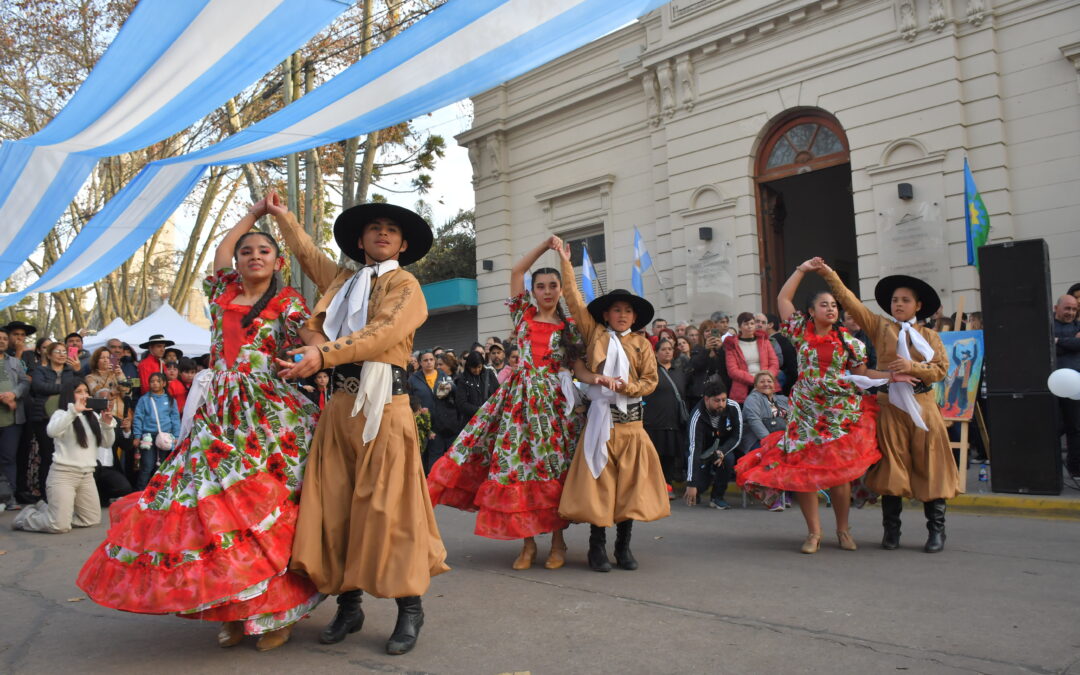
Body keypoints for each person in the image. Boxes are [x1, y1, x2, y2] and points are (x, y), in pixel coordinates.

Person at [78, 199, 323, 652]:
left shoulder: (288, 302)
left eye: (263, 251)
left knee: (264, 515)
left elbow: (311, 335)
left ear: (278, 261)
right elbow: (220, 250)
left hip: (269, 416)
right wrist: (254, 215)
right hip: (219, 416)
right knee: (212, 517)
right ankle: (231, 608)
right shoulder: (222, 292)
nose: (252, 255)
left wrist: (319, 352)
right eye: (247, 250)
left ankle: (273, 614)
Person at [271, 190, 447, 656]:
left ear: (403, 244)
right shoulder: (344, 281)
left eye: (391, 229)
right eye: (374, 228)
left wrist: (322, 353)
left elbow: (381, 333)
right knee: (336, 510)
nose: (383, 232)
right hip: (338, 410)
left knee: (392, 512)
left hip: (384, 410)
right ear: (361, 240)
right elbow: (309, 258)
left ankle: (410, 609)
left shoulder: (405, 285)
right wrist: (284, 216)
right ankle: (349, 607)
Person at [429, 238, 587, 570]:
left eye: (552, 286)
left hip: (556, 407)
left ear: (560, 289)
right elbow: (516, 270)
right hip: (517, 406)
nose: (546, 291)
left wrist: (565, 262)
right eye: (540, 286)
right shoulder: (522, 314)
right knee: (518, 470)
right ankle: (527, 545)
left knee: (555, 473)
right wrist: (545, 245)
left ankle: (558, 543)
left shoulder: (570, 326)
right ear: (533, 290)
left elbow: (577, 366)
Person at [736, 258, 889, 554]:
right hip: (806, 415)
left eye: (834, 305)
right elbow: (782, 298)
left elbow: (863, 375)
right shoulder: (798, 332)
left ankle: (843, 530)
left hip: (839, 416)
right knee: (805, 473)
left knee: (838, 473)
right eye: (824, 305)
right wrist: (802, 270)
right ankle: (814, 533)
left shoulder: (850, 342)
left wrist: (893, 376)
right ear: (810, 311)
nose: (831, 309)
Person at [819, 259, 957, 553]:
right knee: (892, 469)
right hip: (890, 404)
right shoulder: (880, 327)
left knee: (931, 467)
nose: (898, 304)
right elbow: (850, 303)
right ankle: (891, 531)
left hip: (923, 406)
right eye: (895, 300)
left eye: (905, 300)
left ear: (918, 305)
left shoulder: (931, 337)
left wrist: (913, 366)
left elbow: (941, 370)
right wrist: (830, 275)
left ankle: (936, 532)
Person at [554, 239, 670, 572]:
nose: (622, 315)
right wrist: (565, 260)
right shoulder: (595, 334)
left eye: (628, 311)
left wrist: (627, 386)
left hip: (632, 426)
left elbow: (651, 381)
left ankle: (624, 547)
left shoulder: (642, 344)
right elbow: (574, 300)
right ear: (606, 313)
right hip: (602, 422)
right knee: (599, 488)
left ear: (635, 316)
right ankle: (596, 548)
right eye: (616, 310)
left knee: (630, 491)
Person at [15, 378, 113, 532]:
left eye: (86, 391)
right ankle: (27, 517)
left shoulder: (93, 416)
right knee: (59, 526)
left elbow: (107, 443)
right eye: (78, 392)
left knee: (92, 520)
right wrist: (73, 412)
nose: (84, 395)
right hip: (63, 475)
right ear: (69, 395)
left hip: (86, 476)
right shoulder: (61, 414)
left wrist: (107, 425)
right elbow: (52, 431)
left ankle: (52, 513)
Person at [28, 342, 78, 499]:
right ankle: (46, 494)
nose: (62, 354)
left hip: (68, 420)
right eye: (58, 351)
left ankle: (66, 494)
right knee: (48, 456)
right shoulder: (40, 371)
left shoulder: (71, 371)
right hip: (44, 419)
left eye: (64, 351)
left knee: (67, 457)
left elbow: (79, 387)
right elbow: (39, 387)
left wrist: (76, 372)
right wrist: (65, 388)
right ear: (49, 355)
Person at [685, 380, 743, 510]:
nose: (721, 404)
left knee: (728, 460)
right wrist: (691, 484)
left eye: (724, 400)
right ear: (706, 399)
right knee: (698, 487)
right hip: (703, 452)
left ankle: (717, 497)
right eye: (717, 401)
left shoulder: (733, 407)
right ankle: (701, 484)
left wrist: (722, 451)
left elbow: (737, 437)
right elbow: (693, 449)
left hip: (723, 449)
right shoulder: (697, 417)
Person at [643, 339, 688, 496]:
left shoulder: (679, 371)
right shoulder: (650, 370)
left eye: (670, 349)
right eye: (663, 349)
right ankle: (652, 488)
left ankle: (667, 486)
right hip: (653, 421)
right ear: (655, 353)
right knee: (654, 456)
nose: (668, 351)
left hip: (673, 421)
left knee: (669, 456)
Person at [740, 372, 790, 510]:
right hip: (758, 439)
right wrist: (769, 441)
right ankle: (773, 497)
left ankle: (786, 491)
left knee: (796, 454)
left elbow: (793, 419)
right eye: (762, 381)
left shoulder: (781, 399)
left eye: (769, 381)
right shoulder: (753, 399)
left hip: (782, 439)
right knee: (772, 456)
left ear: (774, 385)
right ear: (756, 386)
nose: (766, 384)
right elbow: (755, 422)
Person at [131, 372, 180, 490]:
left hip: (165, 437)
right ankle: (140, 493)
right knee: (147, 465)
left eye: (158, 381)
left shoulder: (171, 400)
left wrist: (177, 436)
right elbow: (138, 417)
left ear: (164, 383)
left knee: (162, 466)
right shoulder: (144, 399)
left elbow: (175, 419)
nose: (155, 383)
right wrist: (137, 436)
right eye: (152, 381)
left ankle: (157, 493)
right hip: (148, 436)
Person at [408, 350, 454, 471]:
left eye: (431, 360)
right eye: (425, 360)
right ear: (420, 363)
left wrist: (450, 387)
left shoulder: (442, 374)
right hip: (424, 425)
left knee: (443, 460)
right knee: (427, 461)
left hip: (444, 423)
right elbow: (409, 399)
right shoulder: (413, 379)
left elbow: (454, 388)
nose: (429, 362)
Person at [0, 326, 29, 510]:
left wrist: (14, 394)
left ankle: (9, 498)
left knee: (9, 459)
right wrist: (3, 397)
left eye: (4, 338)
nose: (2, 340)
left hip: (12, 420)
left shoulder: (15, 362)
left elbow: (25, 382)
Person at [724, 311, 780, 404]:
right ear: (739, 327)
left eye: (752, 323)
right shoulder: (732, 344)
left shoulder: (764, 340)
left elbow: (774, 362)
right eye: (746, 324)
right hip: (744, 387)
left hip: (766, 384)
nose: (750, 326)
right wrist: (755, 381)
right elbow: (732, 370)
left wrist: (765, 379)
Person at [1053, 294, 1080, 478]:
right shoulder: (1048, 325)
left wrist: (1059, 341)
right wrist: (1073, 343)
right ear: (1056, 308)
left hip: (1074, 387)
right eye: (1067, 308)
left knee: (1076, 428)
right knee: (1053, 427)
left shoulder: (1078, 325)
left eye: (1074, 309)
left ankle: (1075, 468)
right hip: (1051, 385)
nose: (1071, 312)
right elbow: (1047, 346)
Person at [452, 351, 499, 428]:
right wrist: (479, 410)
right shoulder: (463, 380)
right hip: (472, 423)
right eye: (474, 368)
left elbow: (498, 393)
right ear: (468, 366)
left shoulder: (489, 374)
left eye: (479, 367)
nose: (477, 370)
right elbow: (461, 403)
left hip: (490, 421)